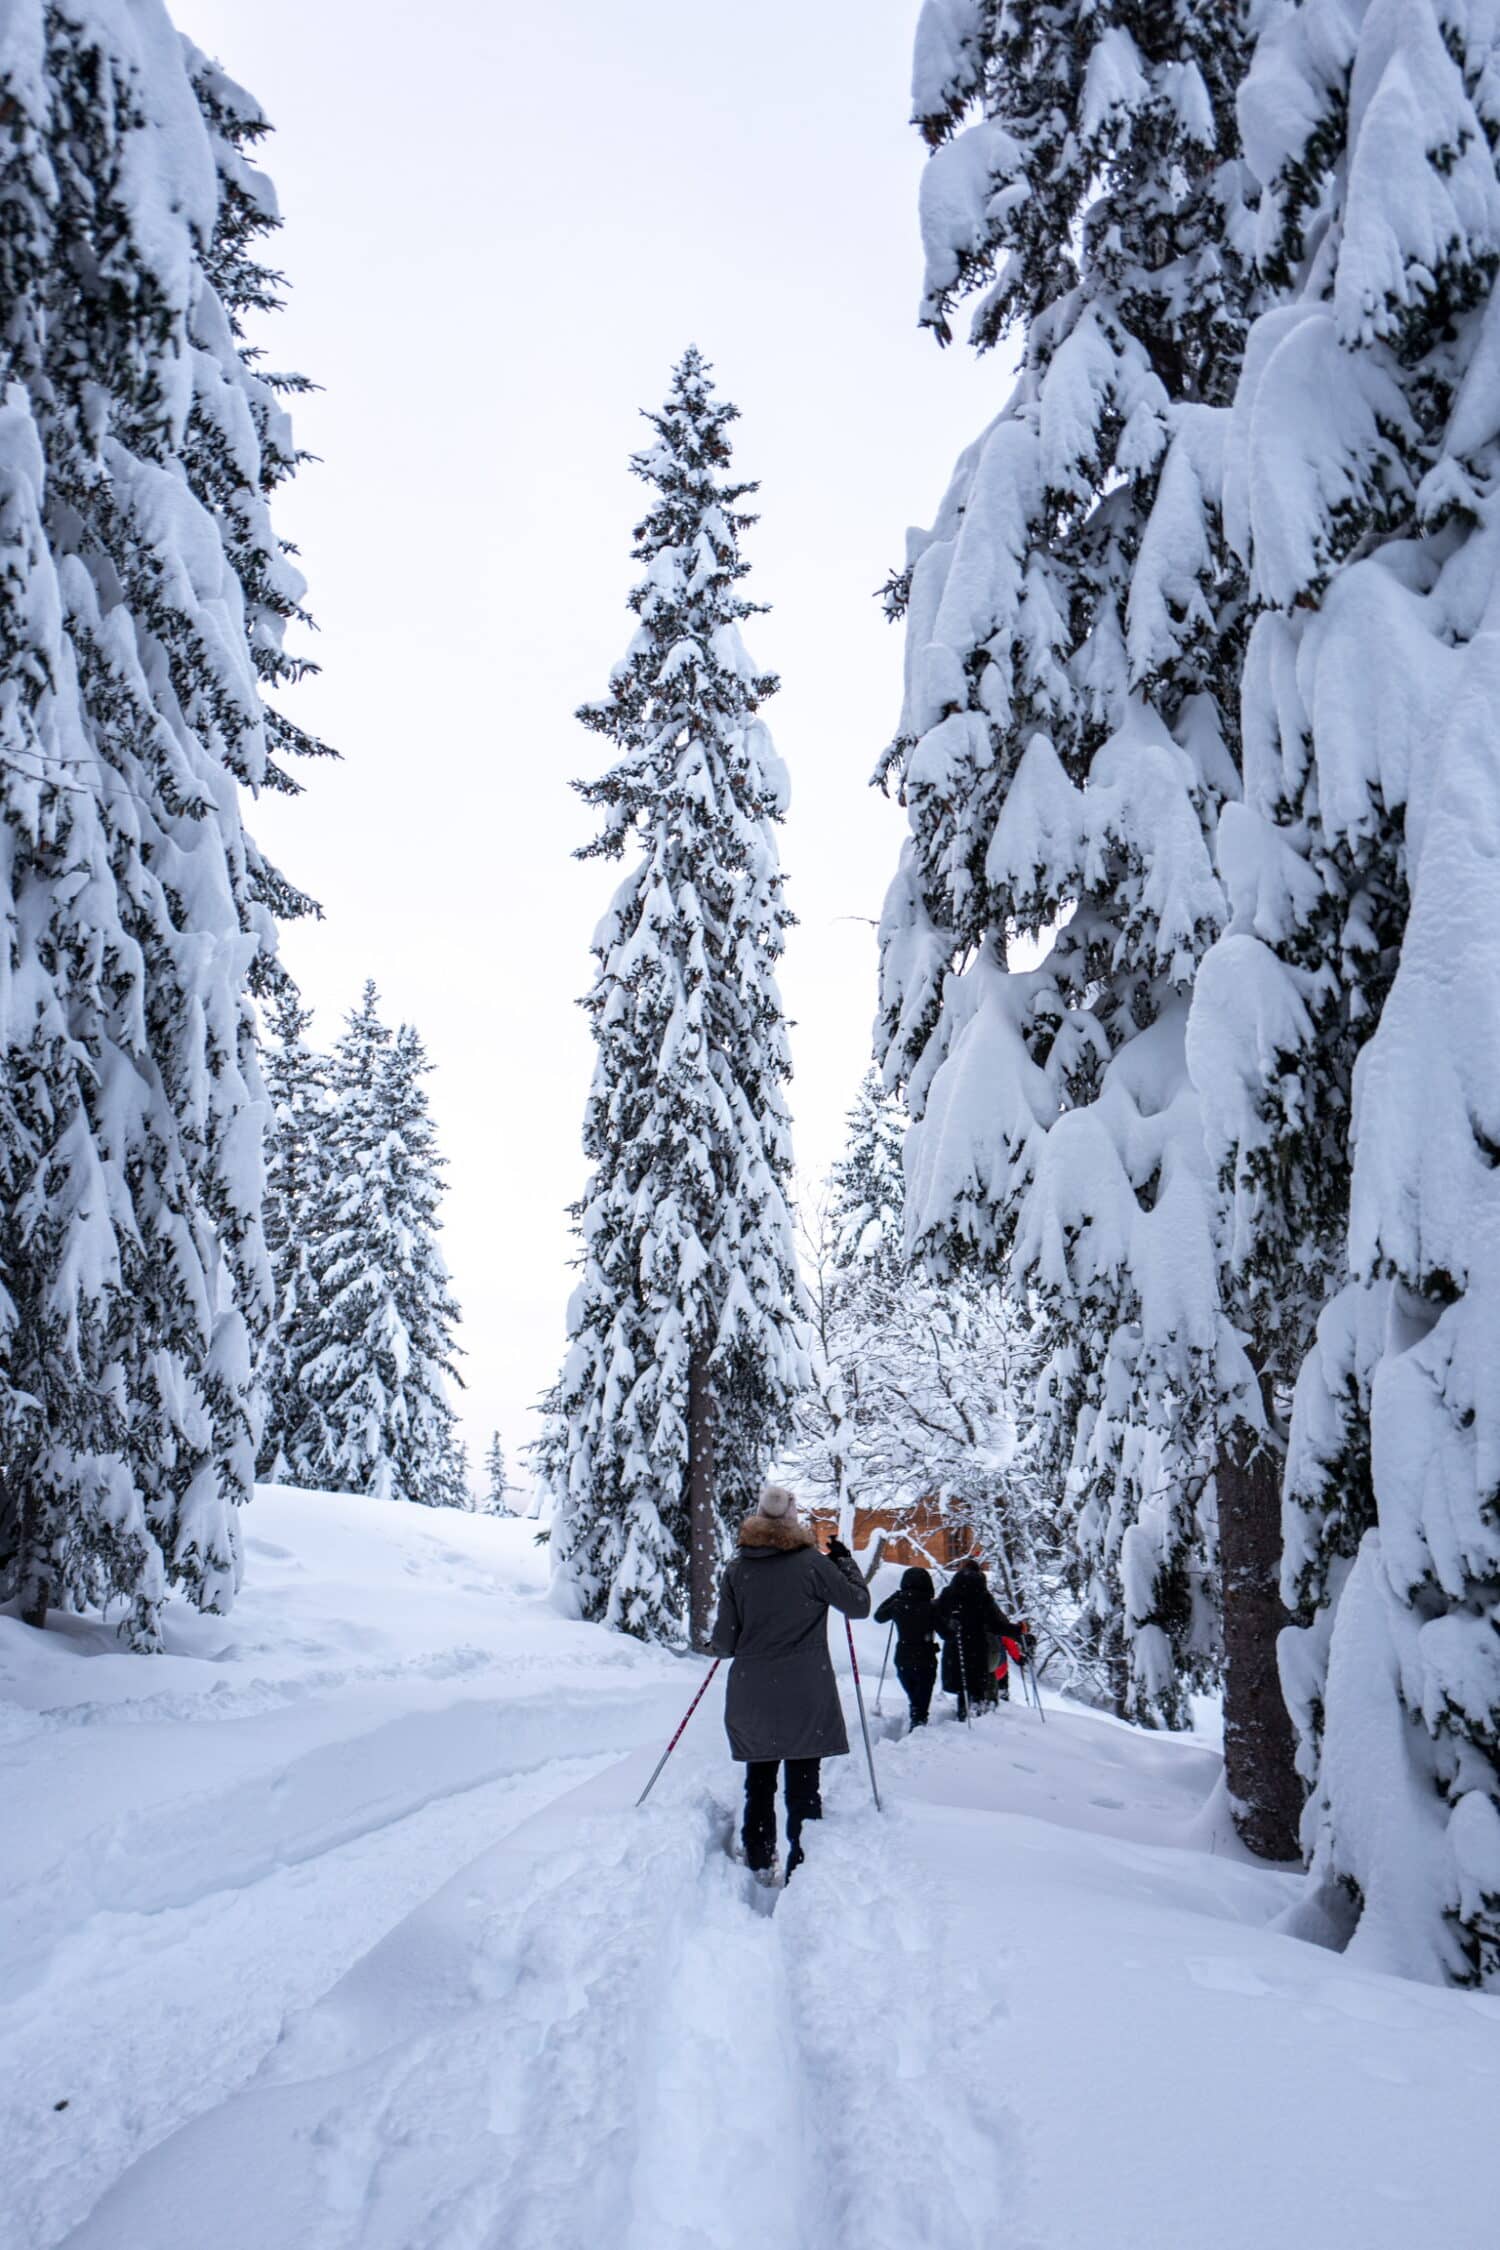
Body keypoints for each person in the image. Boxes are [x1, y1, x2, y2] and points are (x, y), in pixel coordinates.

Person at [709, 1484, 871, 1877]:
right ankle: (803, 1865)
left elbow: (724, 1644)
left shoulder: (738, 1570)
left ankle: (760, 1858)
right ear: (792, 1519)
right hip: (805, 1691)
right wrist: (845, 1563)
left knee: (760, 1781)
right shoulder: (813, 1565)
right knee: (803, 1786)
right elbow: (859, 1606)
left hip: (753, 1690)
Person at [934, 1557, 1028, 1720]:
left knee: (961, 1687)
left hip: (955, 1647)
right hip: (977, 1649)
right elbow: (997, 1625)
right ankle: (975, 1718)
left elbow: (936, 1615)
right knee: (975, 1688)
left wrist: (949, 1629)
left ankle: (963, 1716)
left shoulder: (948, 1594)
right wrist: (1018, 1630)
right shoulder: (983, 1596)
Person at [873, 1564, 939, 1728]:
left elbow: (878, 1616)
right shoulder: (931, 1607)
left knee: (914, 1697)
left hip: (903, 1657)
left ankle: (917, 1721)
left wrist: (896, 1595)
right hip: (926, 1658)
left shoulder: (897, 1604)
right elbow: (947, 1633)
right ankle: (918, 1725)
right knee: (921, 1699)